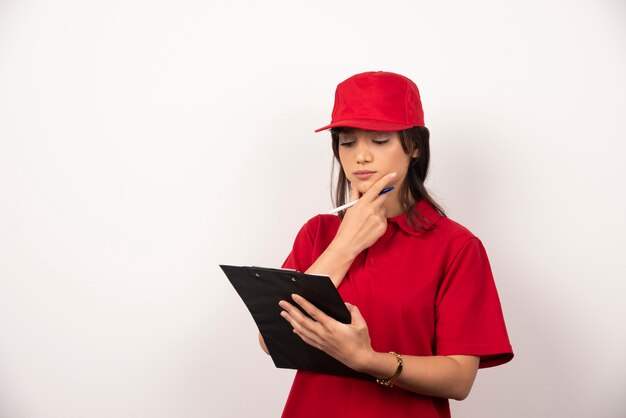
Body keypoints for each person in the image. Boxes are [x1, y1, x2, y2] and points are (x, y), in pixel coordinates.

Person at [259, 71, 513, 418]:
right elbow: (271, 340)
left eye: (379, 141)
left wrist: (368, 360)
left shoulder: (456, 247)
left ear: (415, 147)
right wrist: (346, 244)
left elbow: (460, 378)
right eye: (348, 142)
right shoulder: (317, 233)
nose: (361, 156)